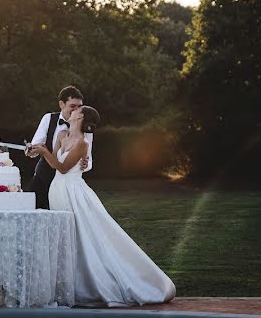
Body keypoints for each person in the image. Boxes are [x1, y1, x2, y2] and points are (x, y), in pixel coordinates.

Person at [30, 105, 176, 306]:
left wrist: (44, 151)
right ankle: (65, 284)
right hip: (56, 190)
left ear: (80, 117)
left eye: (76, 110)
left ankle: (92, 282)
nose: (72, 111)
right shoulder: (62, 134)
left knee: (82, 234)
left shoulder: (82, 143)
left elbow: (63, 168)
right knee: (64, 236)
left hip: (73, 191)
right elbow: (54, 162)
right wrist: (45, 152)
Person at [27, 86, 92, 209]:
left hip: (67, 183)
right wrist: (32, 151)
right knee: (36, 212)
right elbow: (36, 145)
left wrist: (85, 165)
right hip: (43, 177)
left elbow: (89, 161)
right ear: (61, 104)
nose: (76, 110)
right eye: (73, 106)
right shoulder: (48, 119)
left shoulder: (87, 132)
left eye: (79, 107)